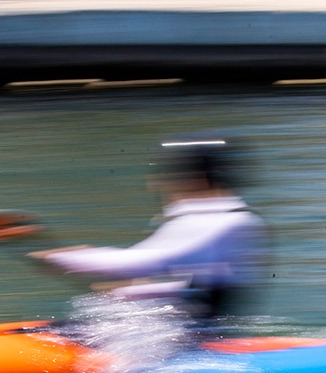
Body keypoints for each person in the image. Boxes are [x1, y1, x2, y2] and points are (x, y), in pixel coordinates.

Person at [29, 136, 268, 324]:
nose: (156, 185)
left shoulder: (224, 222)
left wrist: (61, 257)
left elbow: (142, 263)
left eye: (171, 175)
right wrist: (131, 291)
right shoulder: (207, 218)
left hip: (186, 338)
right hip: (176, 328)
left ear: (199, 180)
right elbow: (192, 280)